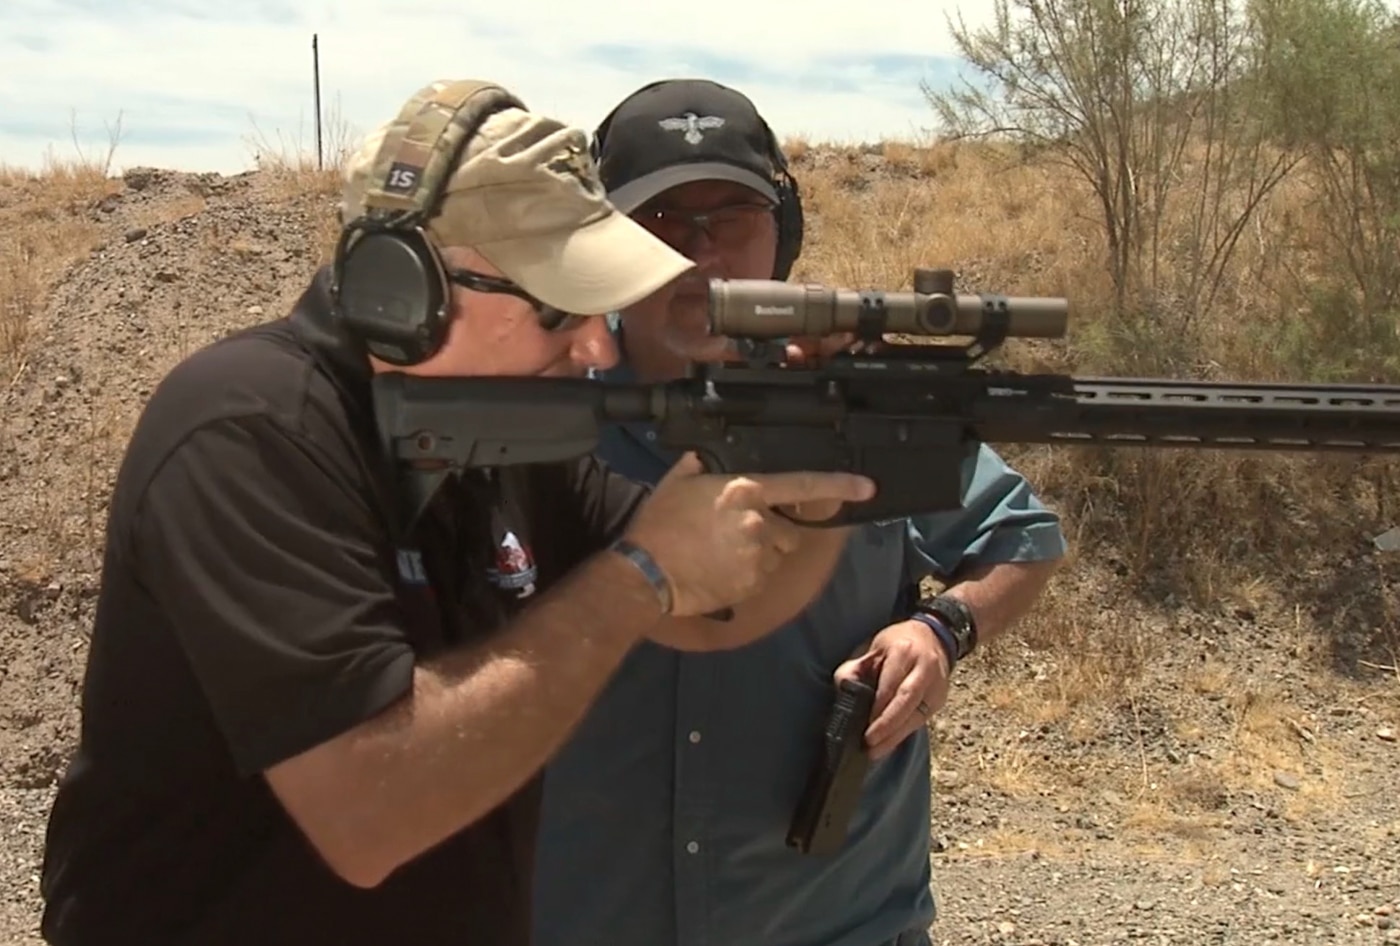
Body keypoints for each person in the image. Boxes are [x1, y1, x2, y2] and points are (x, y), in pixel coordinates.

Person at [36, 78, 878, 946]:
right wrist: (639, 580)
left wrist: (816, 480)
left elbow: (715, 610)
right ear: (400, 291)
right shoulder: (247, 433)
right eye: (558, 306)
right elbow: (371, 813)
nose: (596, 344)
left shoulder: (497, 435)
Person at [530, 78, 1070, 946]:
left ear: (783, 237)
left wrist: (940, 632)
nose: (701, 256)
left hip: (838, 923)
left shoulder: (859, 414)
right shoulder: (532, 427)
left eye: (731, 220)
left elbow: (1022, 538)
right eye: (662, 222)